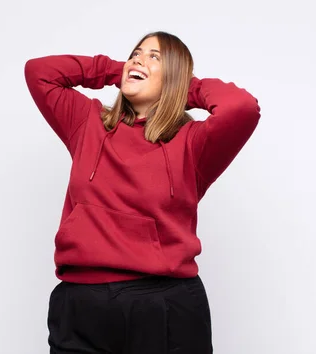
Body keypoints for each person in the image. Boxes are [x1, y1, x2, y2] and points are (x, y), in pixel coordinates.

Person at [24, 31, 261, 354]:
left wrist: (182, 90)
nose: (137, 59)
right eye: (136, 53)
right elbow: (40, 72)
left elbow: (242, 108)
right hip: (80, 301)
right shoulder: (86, 123)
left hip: (162, 303)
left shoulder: (193, 144)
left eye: (155, 57)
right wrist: (118, 70)